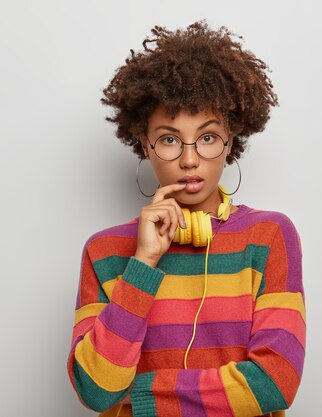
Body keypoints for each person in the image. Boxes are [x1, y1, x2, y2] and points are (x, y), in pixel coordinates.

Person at [66, 20, 305, 417]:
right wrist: (143, 262)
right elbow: (96, 390)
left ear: (231, 141)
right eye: (170, 139)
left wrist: (137, 394)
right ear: (145, 144)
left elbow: (275, 382)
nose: (190, 159)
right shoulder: (105, 251)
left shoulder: (269, 236)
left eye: (208, 137)